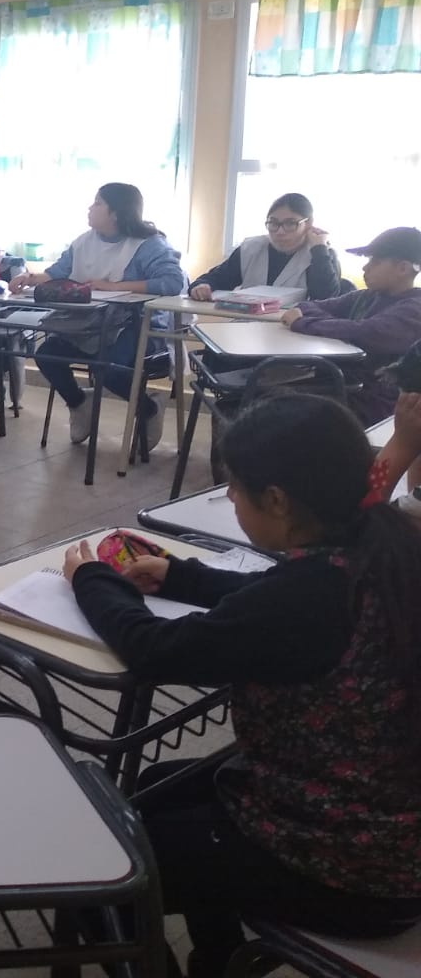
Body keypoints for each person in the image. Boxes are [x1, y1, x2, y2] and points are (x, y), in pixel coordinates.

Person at [63, 392, 421, 978]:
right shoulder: (382, 541)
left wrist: (94, 579)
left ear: (277, 499)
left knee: (98, 868)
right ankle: (218, 959)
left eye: (234, 487)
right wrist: (184, 576)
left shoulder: (307, 597)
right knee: (157, 785)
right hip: (384, 828)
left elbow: (155, 650)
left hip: (352, 871)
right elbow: (281, 602)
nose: (229, 497)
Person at [12, 183, 186, 449]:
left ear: (115, 213)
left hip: (136, 325)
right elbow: (58, 272)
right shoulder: (84, 242)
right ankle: (79, 403)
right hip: (89, 323)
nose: (90, 208)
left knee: (109, 368)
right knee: (46, 354)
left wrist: (114, 287)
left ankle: (149, 409)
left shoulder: (148, 244)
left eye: (97, 203)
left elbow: (172, 282)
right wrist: (29, 278)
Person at [282, 226, 421, 425]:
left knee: (277, 409)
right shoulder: (366, 296)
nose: (365, 268)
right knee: (267, 395)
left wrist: (305, 323)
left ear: (403, 269)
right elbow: (307, 306)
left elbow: (365, 332)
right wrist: (336, 326)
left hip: (376, 402)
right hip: (338, 383)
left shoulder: (414, 309)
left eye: (375, 262)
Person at [189, 193, 341, 302]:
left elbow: (327, 299)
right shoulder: (251, 249)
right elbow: (215, 278)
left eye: (290, 224)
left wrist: (319, 250)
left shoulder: (321, 254)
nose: (280, 231)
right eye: (273, 223)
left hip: (298, 331)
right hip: (247, 329)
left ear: (308, 224)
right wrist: (202, 287)